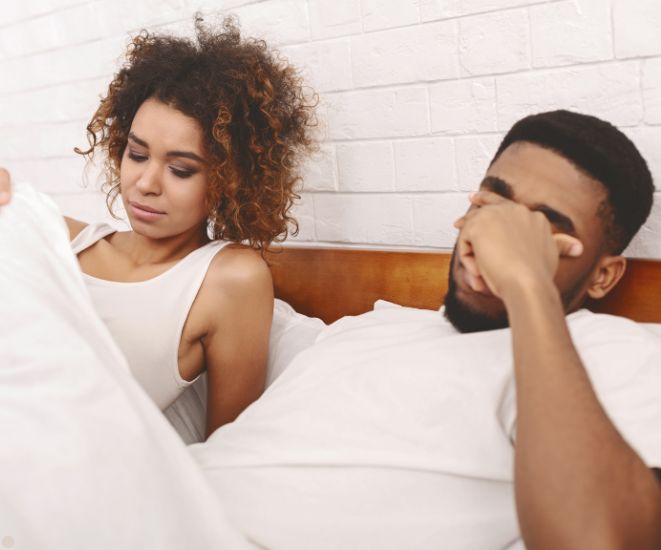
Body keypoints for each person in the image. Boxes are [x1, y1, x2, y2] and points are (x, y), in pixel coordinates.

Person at [2, 111, 660, 547]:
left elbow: (595, 540)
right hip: (152, 512)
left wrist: (526, 286)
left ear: (601, 277)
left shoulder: (611, 355)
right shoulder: (362, 329)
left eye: (544, 228)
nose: (495, 238)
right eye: (494, 203)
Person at [0, 17, 317, 438]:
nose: (146, 184)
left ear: (231, 177)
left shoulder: (229, 279)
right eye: (136, 154)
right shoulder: (60, 239)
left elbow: (231, 448)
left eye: (181, 170)